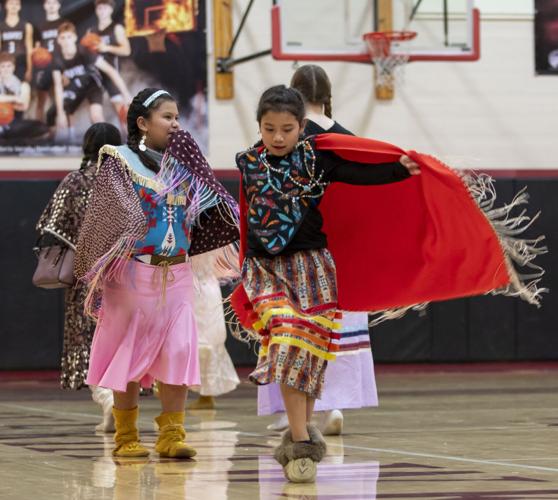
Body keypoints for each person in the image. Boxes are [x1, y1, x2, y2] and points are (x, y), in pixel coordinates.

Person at [232, 85, 544, 483]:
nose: (277, 137)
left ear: (302, 127)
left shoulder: (317, 158)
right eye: (269, 128)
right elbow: (245, 217)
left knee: (307, 354)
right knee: (289, 338)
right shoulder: (248, 162)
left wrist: (399, 168)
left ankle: (302, 431)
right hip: (266, 271)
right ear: (258, 125)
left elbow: (357, 172)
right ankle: (300, 443)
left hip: (313, 269)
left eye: (287, 129)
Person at [74, 88, 239, 459]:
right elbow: (105, 216)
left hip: (177, 274)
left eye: (178, 117)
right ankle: (126, 435)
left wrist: (196, 167)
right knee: (129, 353)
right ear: (142, 123)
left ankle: (172, 434)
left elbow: (211, 209)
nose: (176, 124)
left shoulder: (183, 165)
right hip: (132, 274)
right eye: (167, 117)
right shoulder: (118, 160)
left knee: (179, 349)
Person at [259, 65, 378, 436]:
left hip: (293, 251)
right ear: (327, 95)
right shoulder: (347, 139)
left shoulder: (286, 136)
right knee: (334, 331)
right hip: (340, 250)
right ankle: (335, 405)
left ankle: (294, 416)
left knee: (291, 332)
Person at [36, 122, 123, 432]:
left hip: (86, 277)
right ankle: (121, 403)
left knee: (88, 340)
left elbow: (48, 225)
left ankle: (106, 399)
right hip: (125, 275)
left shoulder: (74, 182)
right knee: (120, 341)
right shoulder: (127, 182)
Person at [46, 22, 131, 139]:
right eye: (63, 38)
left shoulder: (85, 52)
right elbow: (58, 86)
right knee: (55, 113)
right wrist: (60, 113)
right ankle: (65, 143)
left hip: (91, 85)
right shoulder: (56, 59)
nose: (66, 41)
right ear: (58, 40)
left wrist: (126, 94)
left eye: (69, 37)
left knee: (96, 116)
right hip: (74, 87)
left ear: (75, 38)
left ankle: (106, 143)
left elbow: (111, 71)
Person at [188, 252, 240, 410]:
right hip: (204, 287)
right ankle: (205, 396)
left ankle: (206, 396)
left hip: (198, 287)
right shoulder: (215, 234)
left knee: (205, 340)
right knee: (204, 340)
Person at [90, 0, 131, 129]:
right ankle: (103, 141)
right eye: (100, 8)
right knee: (95, 114)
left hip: (112, 75)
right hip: (95, 74)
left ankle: (130, 142)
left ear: (111, 10)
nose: (102, 11)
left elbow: (126, 50)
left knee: (122, 112)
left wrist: (107, 48)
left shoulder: (116, 28)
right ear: (96, 10)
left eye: (105, 8)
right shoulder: (91, 31)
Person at [0, 51, 48, 140]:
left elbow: (23, 106)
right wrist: (15, 99)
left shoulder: (23, 86)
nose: (6, 69)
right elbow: (19, 101)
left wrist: (4, 101)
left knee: (42, 127)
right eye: (2, 66)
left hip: (13, 123)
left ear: (13, 67)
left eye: (8, 66)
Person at [32, 0, 67, 122]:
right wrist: (35, 54)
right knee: (40, 101)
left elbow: (68, 46)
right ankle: (39, 131)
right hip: (44, 66)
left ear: (59, 5)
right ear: (44, 6)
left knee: (62, 100)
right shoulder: (39, 25)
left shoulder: (64, 23)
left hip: (61, 64)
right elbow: (36, 48)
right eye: (48, 3)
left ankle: (66, 132)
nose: (51, 6)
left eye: (54, 3)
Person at [0, 0, 33, 82]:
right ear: (6, 6)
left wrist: (30, 69)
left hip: (21, 64)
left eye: (16, 4)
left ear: (20, 7)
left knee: (22, 90)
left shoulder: (26, 26)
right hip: (5, 64)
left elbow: (29, 50)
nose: (14, 6)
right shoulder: (1, 27)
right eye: (11, 3)